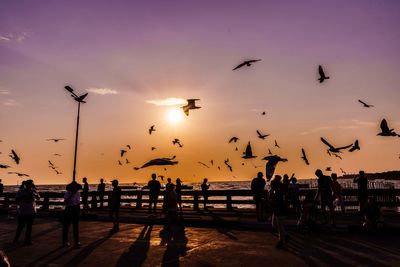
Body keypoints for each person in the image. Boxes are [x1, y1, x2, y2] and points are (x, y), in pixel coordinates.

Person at [13, 179, 40, 245]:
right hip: (23, 211)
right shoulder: (20, 191)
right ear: (26, 185)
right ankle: (16, 239)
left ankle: (27, 240)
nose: (30, 186)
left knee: (29, 227)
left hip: (32, 211)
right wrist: (25, 196)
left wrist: (35, 194)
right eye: (29, 184)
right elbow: (16, 199)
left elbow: (38, 198)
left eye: (31, 184)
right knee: (20, 226)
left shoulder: (33, 190)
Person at [270, 175, 289, 249]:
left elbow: (278, 201)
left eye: (272, 185)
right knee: (274, 224)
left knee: (280, 226)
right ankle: (285, 236)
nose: (271, 186)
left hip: (279, 209)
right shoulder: (275, 191)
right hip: (276, 209)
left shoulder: (279, 191)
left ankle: (283, 243)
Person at [63, 181, 82, 248]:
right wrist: (71, 195)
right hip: (69, 209)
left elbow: (78, 203)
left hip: (75, 209)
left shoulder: (78, 193)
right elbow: (65, 202)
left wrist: (78, 211)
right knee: (66, 226)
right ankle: (65, 241)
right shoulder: (67, 193)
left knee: (76, 227)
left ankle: (76, 241)